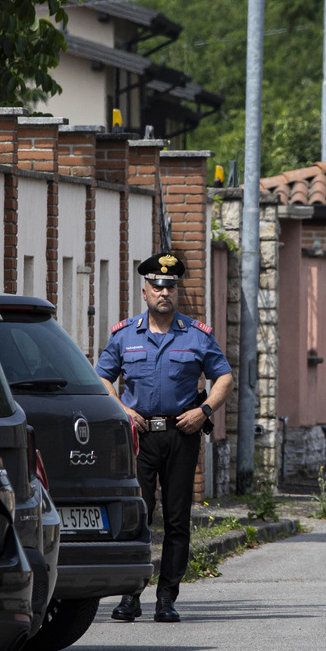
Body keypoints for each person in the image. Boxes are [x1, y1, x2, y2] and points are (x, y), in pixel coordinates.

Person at [97, 253, 233, 623]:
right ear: (144, 291)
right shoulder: (125, 335)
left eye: (170, 286)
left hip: (180, 435)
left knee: (176, 520)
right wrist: (121, 410)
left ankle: (167, 599)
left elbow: (223, 377)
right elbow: (102, 377)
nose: (163, 292)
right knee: (137, 517)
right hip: (139, 438)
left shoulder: (196, 335)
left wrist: (204, 411)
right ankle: (130, 596)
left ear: (177, 291)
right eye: (156, 286)